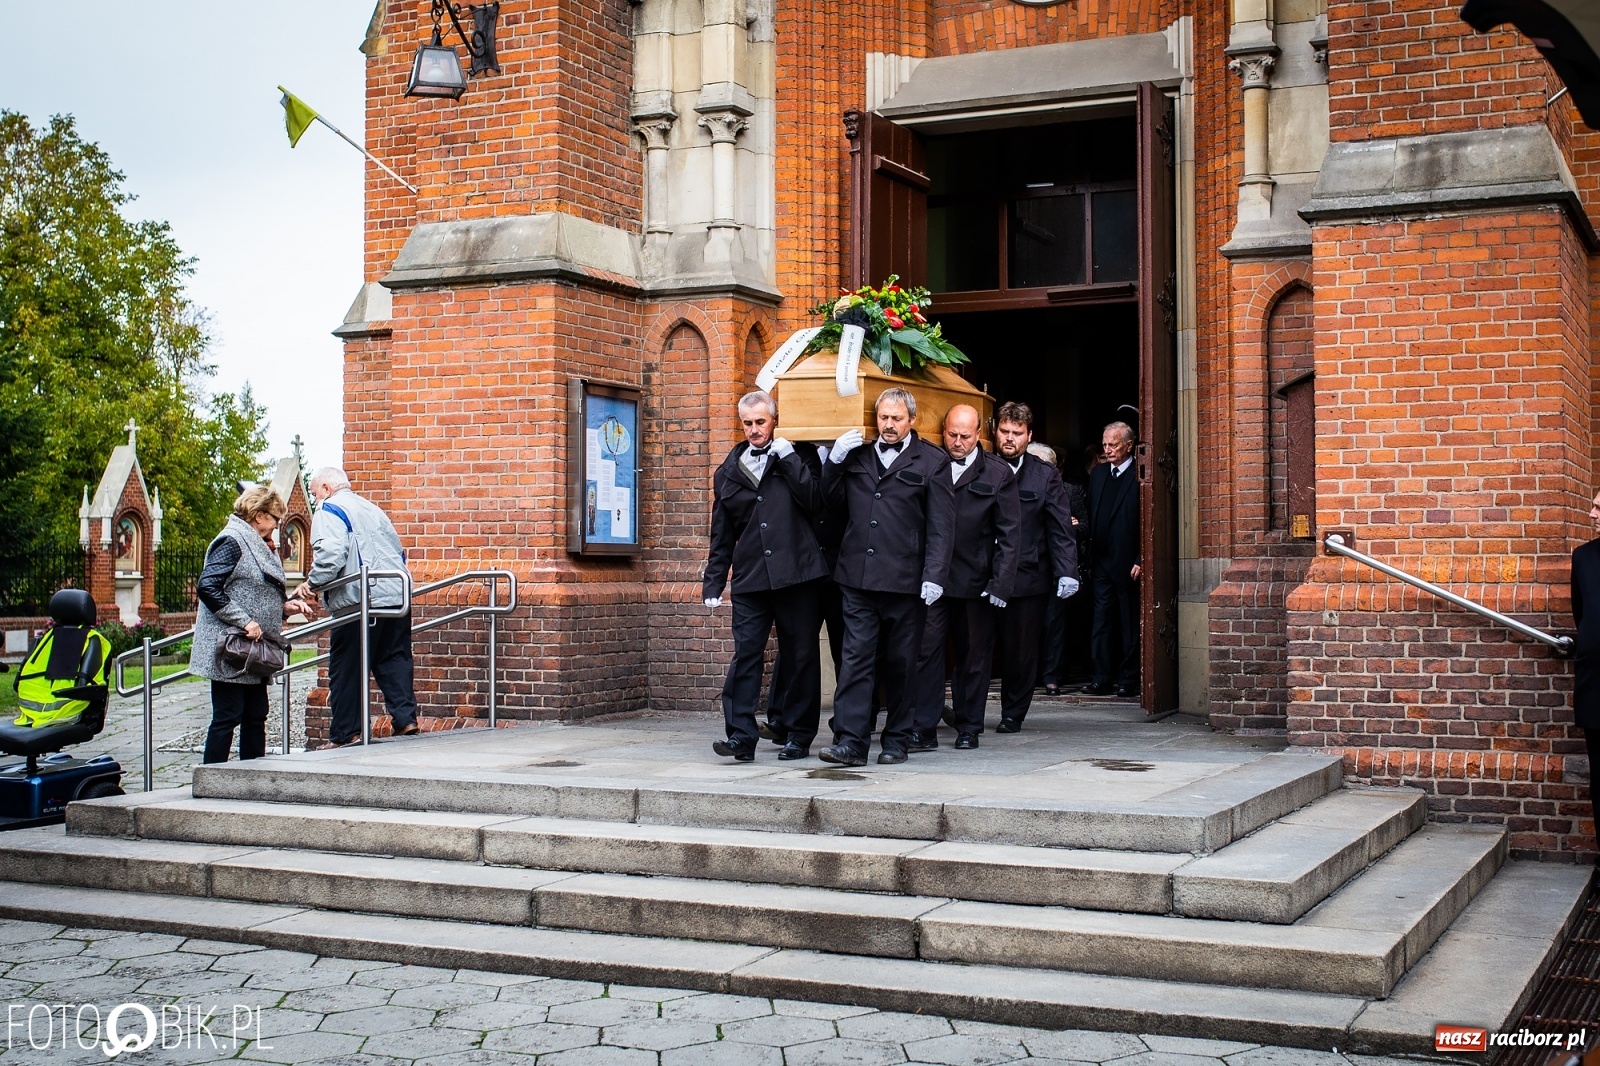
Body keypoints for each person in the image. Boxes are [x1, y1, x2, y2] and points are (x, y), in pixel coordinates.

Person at [819, 387, 955, 766]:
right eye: (883, 418)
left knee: (901, 663)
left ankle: (897, 739)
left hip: (906, 581)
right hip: (858, 578)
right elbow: (830, 502)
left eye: (896, 418)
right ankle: (850, 741)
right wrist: (834, 461)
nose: (889, 425)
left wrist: (935, 575)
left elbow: (942, 525)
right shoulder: (859, 454)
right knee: (856, 660)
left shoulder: (932, 461)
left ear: (912, 420)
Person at [702, 391, 829, 761]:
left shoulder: (799, 456)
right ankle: (741, 735)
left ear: (774, 420)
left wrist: (789, 459)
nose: (755, 430)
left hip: (798, 575)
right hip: (751, 578)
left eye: (761, 422)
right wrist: (714, 580)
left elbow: (815, 502)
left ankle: (799, 735)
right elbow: (721, 532)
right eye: (748, 423)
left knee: (801, 655)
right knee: (746, 656)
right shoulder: (727, 471)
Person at [909, 404, 1019, 751]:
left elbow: (1010, 534)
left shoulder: (998, 474)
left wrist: (1000, 582)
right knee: (926, 653)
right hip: (933, 579)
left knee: (973, 657)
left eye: (965, 436)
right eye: (952, 435)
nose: (957, 442)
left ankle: (969, 726)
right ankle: (922, 728)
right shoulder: (930, 465)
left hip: (975, 581)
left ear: (978, 435)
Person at [190, 486, 311, 763]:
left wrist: (283, 608)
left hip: (253, 649)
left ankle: (252, 776)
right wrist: (244, 621)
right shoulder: (232, 540)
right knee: (227, 716)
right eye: (274, 519)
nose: (276, 526)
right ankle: (213, 779)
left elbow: (256, 590)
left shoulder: (255, 541)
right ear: (258, 515)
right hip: (232, 648)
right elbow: (208, 587)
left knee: (256, 715)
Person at [301, 467, 419, 746]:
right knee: (393, 657)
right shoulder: (373, 509)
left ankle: (346, 733)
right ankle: (405, 720)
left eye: (316, 492)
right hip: (395, 594)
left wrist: (312, 584)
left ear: (327, 488)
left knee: (346, 667)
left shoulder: (329, 509)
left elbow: (330, 555)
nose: (316, 498)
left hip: (360, 600)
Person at [991, 403, 1079, 733]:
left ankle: (1013, 712)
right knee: (975, 648)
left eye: (1017, 433)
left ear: (1029, 436)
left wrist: (1067, 570)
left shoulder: (1044, 476)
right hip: (982, 574)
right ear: (995, 431)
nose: (1009, 439)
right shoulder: (981, 467)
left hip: (1027, 577)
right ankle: (969, 716)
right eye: (1004, 432)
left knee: (1020, 651)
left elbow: (1059, 527)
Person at [1086, 421, 1141, 697]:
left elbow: (1150, 518)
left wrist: (1142, 557)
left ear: (1129, 446)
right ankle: (1101, 677)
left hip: (1128, 562)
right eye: (1105, 444)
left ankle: (1128, 678)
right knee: (1101, 620)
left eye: (1113, 445)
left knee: (1128, 621)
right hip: (1101, 560)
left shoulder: (1139, 474)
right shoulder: (1097, 475)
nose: (1107, 450)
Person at [1568, 490, 1600, 862]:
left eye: (1598, 508)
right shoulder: (1584, 557)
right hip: (1597, 686)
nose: (1591, 514)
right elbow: (1582, 615)